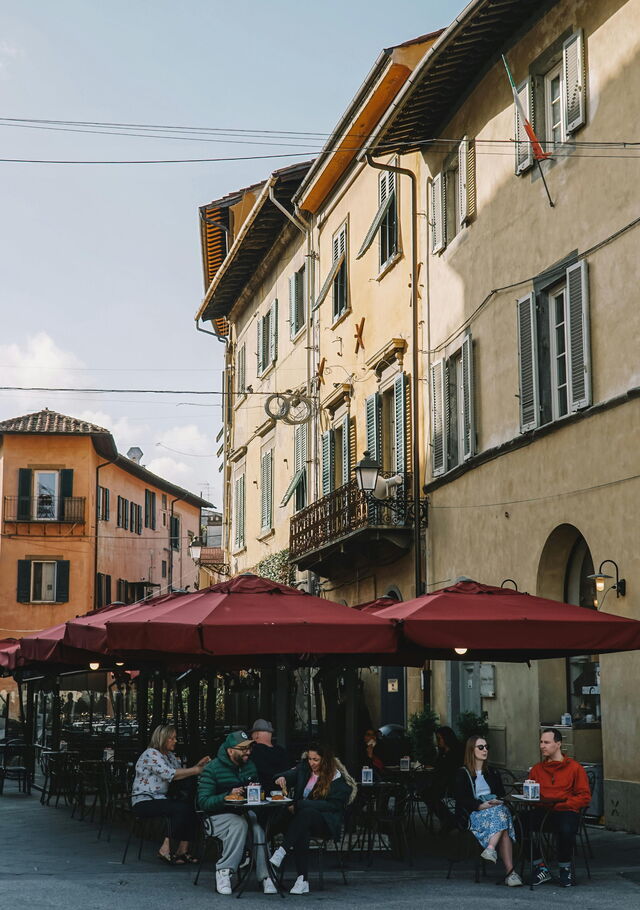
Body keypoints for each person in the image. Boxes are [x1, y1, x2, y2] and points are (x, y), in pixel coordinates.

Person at [270, 742, 357, 894]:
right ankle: (302, 880)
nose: (312, 763)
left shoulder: (338, 780)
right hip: (302, 821)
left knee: (306, 814)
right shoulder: (305, 769)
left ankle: (281, 850)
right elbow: (287, 776)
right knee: (300, 827)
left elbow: (332, 806)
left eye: (316, 759)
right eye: (310, 759)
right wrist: (281, 778)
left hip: (325, 822)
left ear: (325, 760)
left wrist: (300, 805)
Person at [197, 730, 277, 895]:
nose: (248, 752)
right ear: (230, 751)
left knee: (258, 830)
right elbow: (203, 802)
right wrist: (227, 796)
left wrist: (253, 793)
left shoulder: (250, 765)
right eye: (243, 749)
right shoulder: (212, 769)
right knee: (239, 824)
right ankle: (224, 870)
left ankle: (266, 876)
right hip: (215, 817)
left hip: (244, 812)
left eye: (249, 748)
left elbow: (255, 788)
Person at [131, 724, 210, 865]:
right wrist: (196, 770)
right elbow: (170, 775)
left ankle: (182, 851)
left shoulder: (169, 756)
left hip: (161, 799)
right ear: (163, 739)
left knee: (192, 807)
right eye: (172, 738)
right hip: (144, 801)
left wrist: (197, 766)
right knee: (181, 808)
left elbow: (181, 773)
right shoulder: (151, 754)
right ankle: (165, 847)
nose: (175, 741)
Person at [454, 735, 522, 887]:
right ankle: (510, 873)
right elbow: (461, 798)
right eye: (481, 747)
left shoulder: (492, 772)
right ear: (472, 750)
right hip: (474, 814)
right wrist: (479, 805)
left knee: (501, 811)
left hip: (494, 811)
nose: (485, 750)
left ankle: (491, 849)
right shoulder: (463, 773)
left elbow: (501, 794)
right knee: (503, 818)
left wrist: (496, 801)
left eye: (486, 747)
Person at [527, 729, 591, 888]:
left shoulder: (574, 768)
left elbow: (584, 797)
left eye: (546, 742)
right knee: (516, 824)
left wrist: (563, 804)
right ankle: (540, 867)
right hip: (543, 811)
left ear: (558, 744)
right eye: (541, 742)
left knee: (566, 827)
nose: (542, 746)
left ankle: (565, 868)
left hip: (566, 810)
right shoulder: (537, 769)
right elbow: (532, 797)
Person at [422, 725, 464, 833]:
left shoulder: (457, 751)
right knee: (426, 793)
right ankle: (448, 819)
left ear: (447, 738)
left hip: (453, 784)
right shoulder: (442, 752)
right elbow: (438, 766)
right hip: (442, 783)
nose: (438, 741)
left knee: (429, 794)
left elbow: (450, 769)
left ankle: (448, 820)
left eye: (440, 738)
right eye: (437, 738)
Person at [249, 718, 291, 790]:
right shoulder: (281, 750)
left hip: (261, 793)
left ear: (256, 735)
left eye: (252, 733)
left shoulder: (254, 750)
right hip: (282, 793)